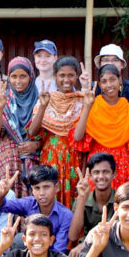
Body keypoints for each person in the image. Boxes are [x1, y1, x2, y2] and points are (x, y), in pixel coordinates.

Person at [28, 56, 86, 208]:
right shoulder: (47, 98)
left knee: (73, 199)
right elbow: (33, 132)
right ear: (55, 76)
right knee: (48, 197)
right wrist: (42, 106)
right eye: (62, 75)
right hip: (50, 158)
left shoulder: (82, 101)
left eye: (71, 75)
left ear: (77, 76)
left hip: (74, 160)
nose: (66, 79)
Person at [73, 64, 129, 188]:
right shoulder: (93, 106)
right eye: (104, 81)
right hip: (98, 166)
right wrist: (88, 107)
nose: (109, 85)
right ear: (99, 85)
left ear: (120, 80)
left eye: (112, 79)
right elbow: (78, 137)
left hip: (122, 165)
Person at [0, 57, 41, 195]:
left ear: (31, 77)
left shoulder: (40, 100)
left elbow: (48, 135)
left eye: (23, 76)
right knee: (6, 201)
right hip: (8, 159)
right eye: (13, 76)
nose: (18, 81)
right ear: (8, 78)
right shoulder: (3, 98)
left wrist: (35, 145)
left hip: (34, 159)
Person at [0, 165, 72, 253]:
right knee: (18, 240)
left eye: (46, 187)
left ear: (56, 187)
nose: (41, 193)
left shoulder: (65, 214)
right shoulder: (29, 203)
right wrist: (1, 193)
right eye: (37, 188)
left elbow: (59, 250)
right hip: (29, 254)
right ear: (32, 190)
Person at [69, 153, 116, 257]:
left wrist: (87, 243)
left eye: (106, 172)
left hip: (113, 250)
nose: (101, 176)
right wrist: (82, 197)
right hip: (86, 251)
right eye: (96, 172)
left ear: (114, 174)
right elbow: (73, 236)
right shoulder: (83, 199)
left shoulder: (120, 200)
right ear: (90, 176)